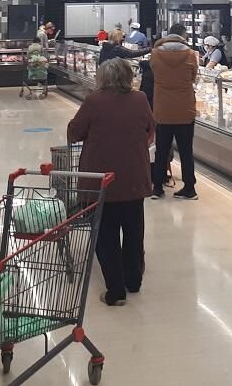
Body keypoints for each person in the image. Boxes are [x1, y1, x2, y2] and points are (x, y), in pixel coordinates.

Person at [67, 58, 154, 306]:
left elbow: (75, 132)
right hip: (134, 176)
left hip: (101, 180)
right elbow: (150, 128)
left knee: (106, 236)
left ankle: (116, 291)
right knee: (134, 231)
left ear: (102, 78)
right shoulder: (140, 99)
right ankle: (133, 280)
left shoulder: (94, 100)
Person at [150, 23, 200, 200]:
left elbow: (154, 73)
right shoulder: (190, 54)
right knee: (186, 151)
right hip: (185, 109)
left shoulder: (156, 53)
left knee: (161, 150)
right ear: (183, 36)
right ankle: (189, 188)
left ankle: (157, 187)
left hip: (162, 109)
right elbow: (193, 77)